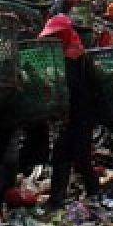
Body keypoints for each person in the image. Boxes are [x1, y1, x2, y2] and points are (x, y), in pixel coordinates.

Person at [40, 14, 98, 208]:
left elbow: (72, 88)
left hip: (80, 114)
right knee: (66, 155)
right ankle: (61, 198)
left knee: (77, 156)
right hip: (76, 114)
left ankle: (91, 193)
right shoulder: (73, 55)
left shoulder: (72, 58)